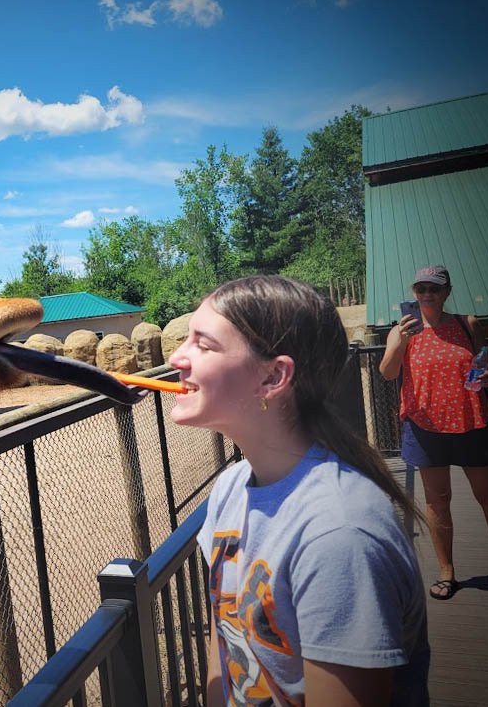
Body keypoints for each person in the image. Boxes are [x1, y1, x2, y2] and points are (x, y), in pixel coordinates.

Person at [169, 274, 429, 706]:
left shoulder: (339, 535)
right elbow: (227, 641)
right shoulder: (231, 488)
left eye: (203, 343)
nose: (178, 357)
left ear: (273, 377)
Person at [379, 264, 488, 601]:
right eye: (422, 289)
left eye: (435, 289)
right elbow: (387, 372)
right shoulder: (402, 331)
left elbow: (487, 364)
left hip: (471, 422)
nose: (428, 295)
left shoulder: (467, 324)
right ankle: (447, 572)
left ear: (447, 292)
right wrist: (399, 341)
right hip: (426, 428)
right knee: (438, 502)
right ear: (414, 293)